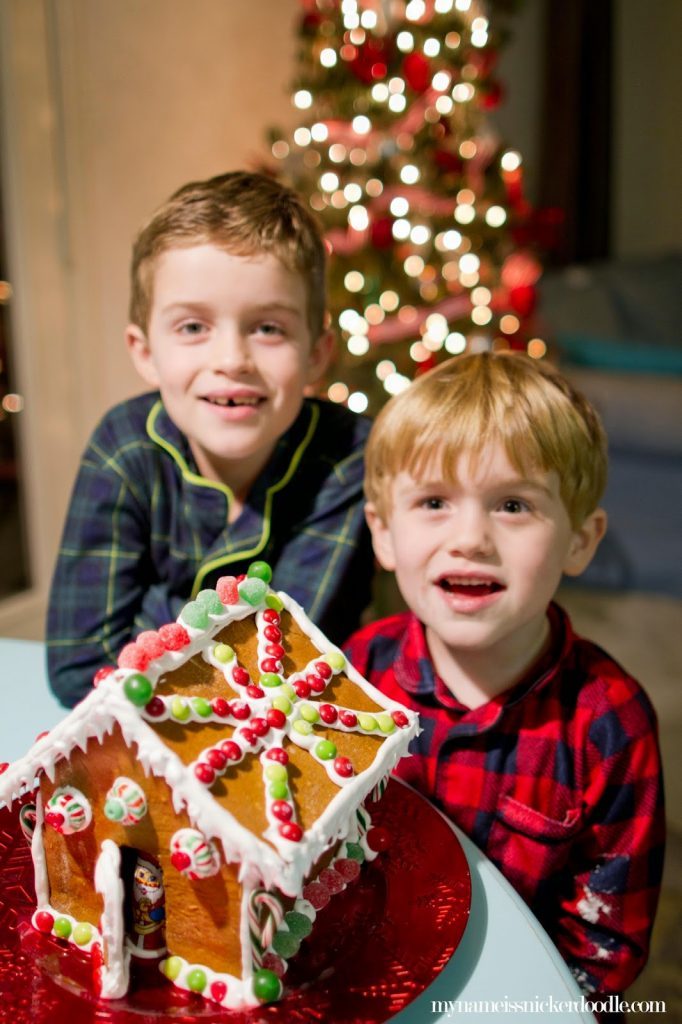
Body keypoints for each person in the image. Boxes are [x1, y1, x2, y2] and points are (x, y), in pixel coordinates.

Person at [344, 352, 664, 1003]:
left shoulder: (611, 725)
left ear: (580, 539)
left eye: (513, 505)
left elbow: (605, 952)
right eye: (433, 501)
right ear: (382, 533)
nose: (471, 539)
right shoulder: (356, 673)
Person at [47, 171, 373, 706]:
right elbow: (79, 667)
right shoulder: (123, 448)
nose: (231, 361)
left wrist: (156, 617)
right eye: (193, 327)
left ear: (316, 352)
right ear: (145, 351)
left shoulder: (345, 456)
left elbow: (284, 665)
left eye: (268, 328)